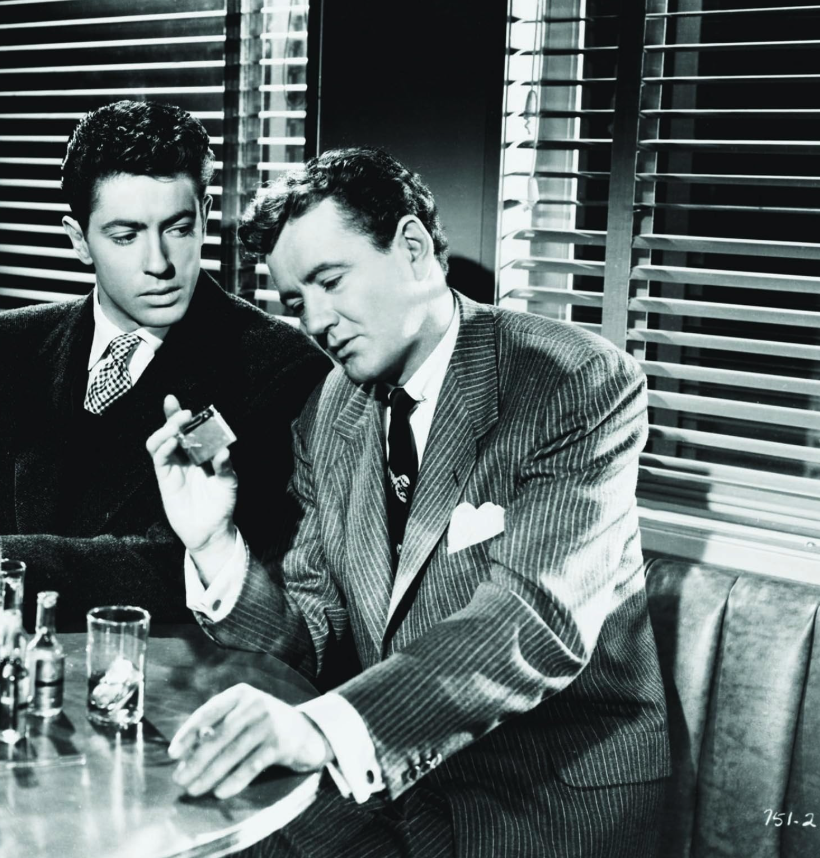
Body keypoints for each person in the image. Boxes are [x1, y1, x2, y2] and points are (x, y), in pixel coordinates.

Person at [146, 148, 670, 857]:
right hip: (387, 790)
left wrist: (322, 729)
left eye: (331, 280)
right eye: (297, 301)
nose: (316, 320)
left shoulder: (570, 382)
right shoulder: (331, 410)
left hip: (539, 798)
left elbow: (531, 623)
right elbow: (316, 636)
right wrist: (212, 543)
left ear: (415, 249)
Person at [0, 100, 331, 630]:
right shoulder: (6, 347)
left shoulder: (280, 366)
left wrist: (1, 565)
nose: (159, 264)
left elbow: (203, 569)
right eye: (125, 236)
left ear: (205, 215)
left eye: (179, 228)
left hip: (165, 682)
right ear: (79, 241)